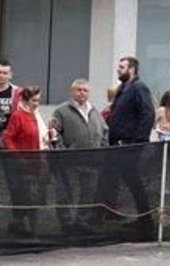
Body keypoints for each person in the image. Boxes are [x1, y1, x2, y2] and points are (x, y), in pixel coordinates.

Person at [98, 57, 155, 232]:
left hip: (128, 145)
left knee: (133, 181)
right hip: (116, 144)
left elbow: (148, 114)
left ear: (132, 69)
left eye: (122, 67)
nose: (118, 70)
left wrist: (138, 141)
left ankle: (146, 221)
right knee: (110, 179)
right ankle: (106, 213)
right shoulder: (122, 89)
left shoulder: (139, 88)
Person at [49, 77, 107, 235]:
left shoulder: (94, 111)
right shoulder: (61, 111)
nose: (82, 93)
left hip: (93, 161)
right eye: (79, 90)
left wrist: (102, 149)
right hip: (71, 161)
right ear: (72, 91)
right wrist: (65, 151)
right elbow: (55, 134)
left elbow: (104, 131)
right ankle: (66, 223)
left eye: (85, 90)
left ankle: (82, 221)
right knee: (66, 192)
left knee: (88, 192)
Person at [0, 85, 48, 237]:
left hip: (36, 162)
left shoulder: (36, 115)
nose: (37, 103)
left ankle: (22, 226)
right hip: (23, 165)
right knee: (26, 197)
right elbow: (7, 138)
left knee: (33, 198)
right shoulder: (18, 116)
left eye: (38, 100)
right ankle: (28, 228)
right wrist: (18, 157)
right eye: (34, 100)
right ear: (26, 100)